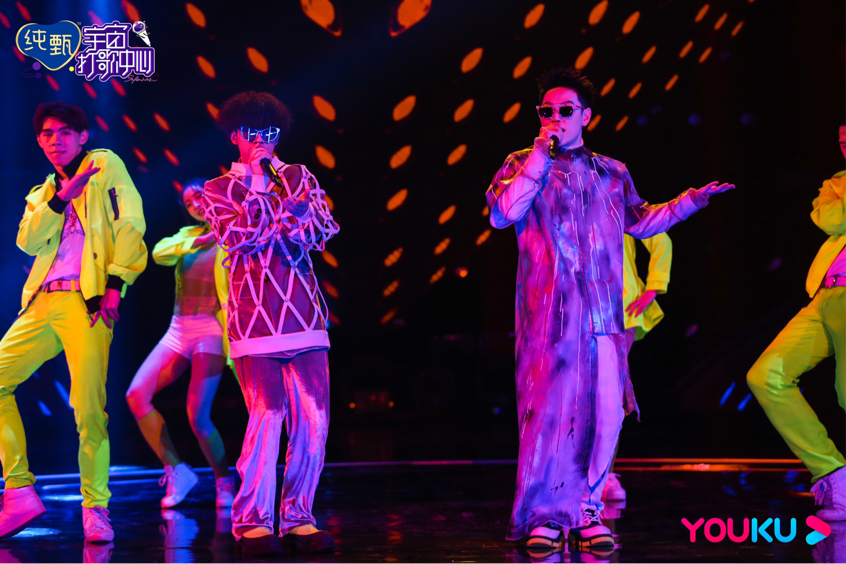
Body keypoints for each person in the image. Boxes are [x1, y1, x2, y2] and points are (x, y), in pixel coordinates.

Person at [484, 67, 733, 553]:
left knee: (606, 418)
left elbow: (642, 221)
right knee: (551, 420)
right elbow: (502, 214)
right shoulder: (521, 162)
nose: (555, 117)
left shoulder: (611, 172)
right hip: (549, 320)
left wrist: (692, 201)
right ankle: (545, 516)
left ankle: (586, 510)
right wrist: (539, 157)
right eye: (547, 110)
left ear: (586, 116)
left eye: (566, 110)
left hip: (603, 319)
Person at [0, 101, 147, 542]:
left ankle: (95, 508)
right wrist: (61, 197)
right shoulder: (43, 191)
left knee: (87, 409)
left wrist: (117, 283)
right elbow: (28, 242)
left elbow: (130, 223)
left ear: (82, 136)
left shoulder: (104, 165)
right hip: (41, 302)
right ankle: (19, 491)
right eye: (47, 134)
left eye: (65, 132)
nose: (55, 140)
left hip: (87, 301)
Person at [203, 91, 339, 554]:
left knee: (314, 420)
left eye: (271, 132)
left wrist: (296, 207)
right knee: (268, 417)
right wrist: (264, 192)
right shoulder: (218, 189)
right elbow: (238, 238)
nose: (263, 140)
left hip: (305, 315)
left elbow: (321, 232)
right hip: (254, 320)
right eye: (253, 132)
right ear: (236, 136)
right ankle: (252, 521)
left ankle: (299, 517)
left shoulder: (298, 176)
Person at [747, 118, 846, 522]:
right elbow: (830, 220)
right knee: (766, 376)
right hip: (824, 294)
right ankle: (833, 472)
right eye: (842, 142)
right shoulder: (835, 183)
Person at [125, 179, 236, 509]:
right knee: (136, 396)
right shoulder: (186, 236)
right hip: (179, 328)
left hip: (211, 328)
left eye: (199, 196)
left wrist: (220, 233)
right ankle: (177, 470)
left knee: (197, 416)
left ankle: (224, 480)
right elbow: (159, 253)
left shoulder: (235, 232)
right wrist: (199, 240)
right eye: (188, 203)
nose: (195, 205)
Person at [602, 232, 673, 502]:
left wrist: (654, 286)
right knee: (583, 395)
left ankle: (605, 475)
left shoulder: (621, 206)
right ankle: (581, 477)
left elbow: (660, 238)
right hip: (577, 307)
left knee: (609, 393)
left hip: (620, 308)